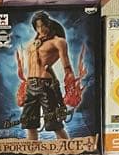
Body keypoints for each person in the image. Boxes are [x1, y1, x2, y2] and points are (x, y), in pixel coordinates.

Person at [14, 11, 81, 141]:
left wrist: (71, 86)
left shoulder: (58, 42)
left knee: (54, 123)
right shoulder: (32, 44)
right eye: (37, 26)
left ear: (48, 24)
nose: (41, 29)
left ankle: (68, 150)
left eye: (43, 25)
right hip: (31, 85)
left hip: (46, 85)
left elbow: (66, 66)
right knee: (29, 123)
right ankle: (32, 151)